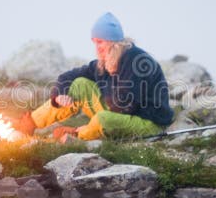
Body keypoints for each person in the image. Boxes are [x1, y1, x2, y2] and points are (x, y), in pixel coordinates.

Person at [15, 12, 174, 141]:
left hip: (148, 121)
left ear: (113, 42)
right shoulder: (104, 62)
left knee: (103, 119)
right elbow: (67, 76)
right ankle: (29, 124)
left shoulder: (136, 61)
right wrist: (59, 95)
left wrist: (107, 81)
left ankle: (76, 134)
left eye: (100, 42)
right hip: (121, 113)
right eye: (94, 42)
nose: (97, 47)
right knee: (79, 84)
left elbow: (126, 105)